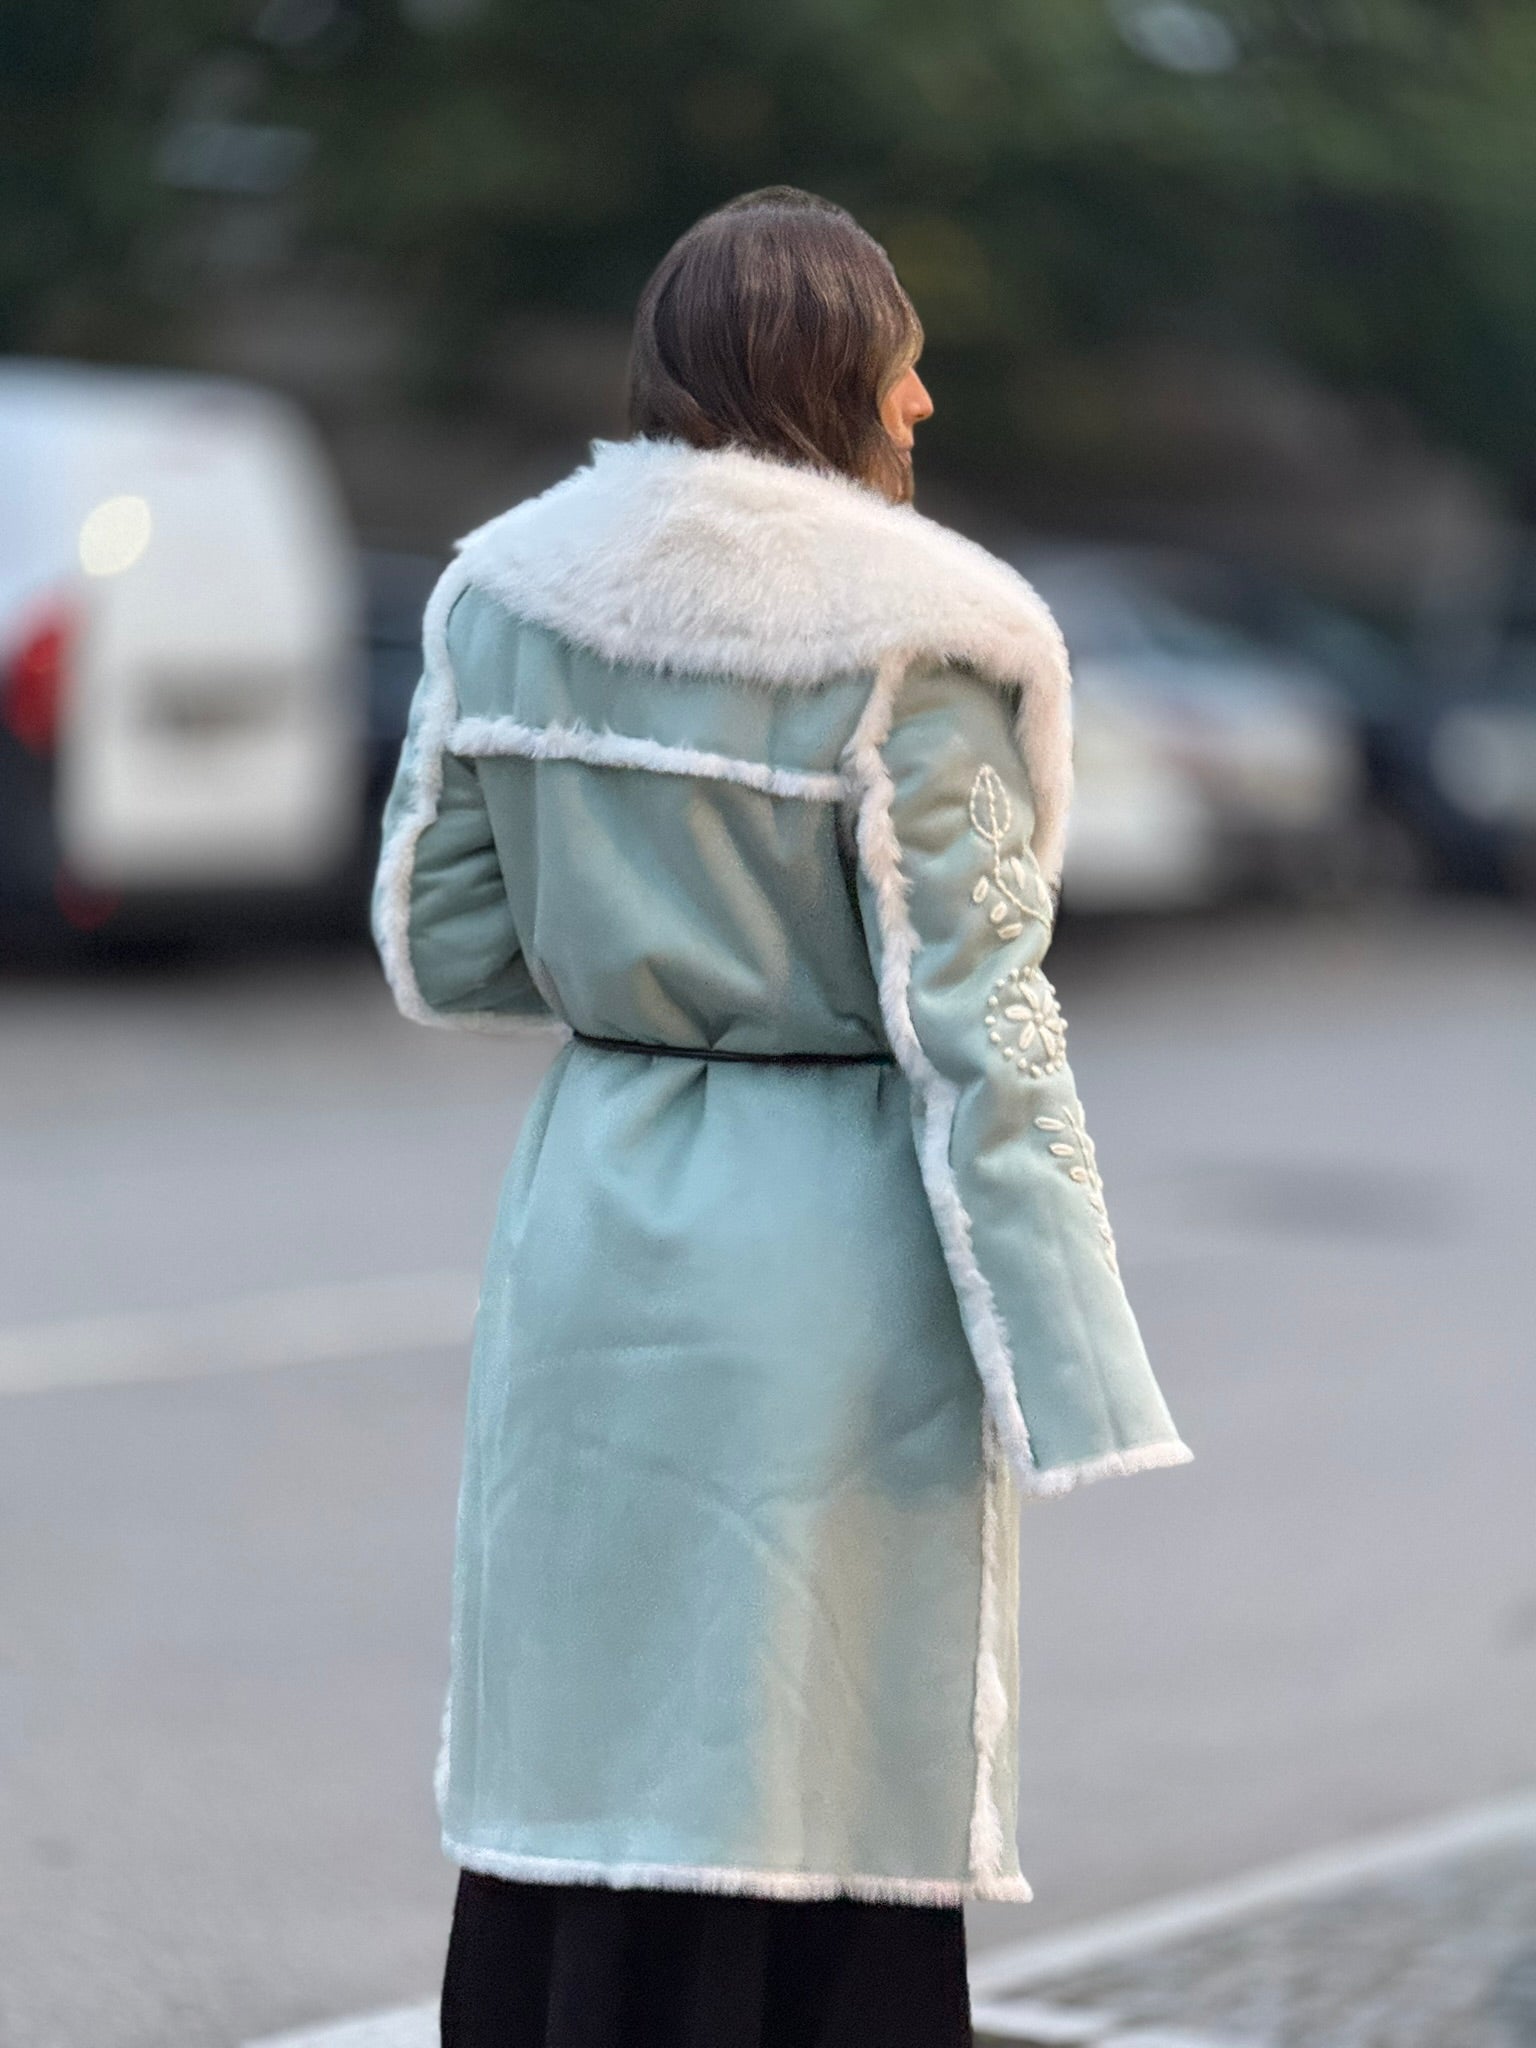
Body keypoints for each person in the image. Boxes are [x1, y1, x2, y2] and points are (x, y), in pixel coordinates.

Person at [374, 185, 1190, 2048]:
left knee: (583, 1741)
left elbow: (443, 948)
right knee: (820, 1764)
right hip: (831, 1258)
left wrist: (642, 974)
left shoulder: (504, 599)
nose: (924, 403)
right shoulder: (922, 639)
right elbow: (987, 1024)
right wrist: (1078, 1367)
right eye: (904, 366)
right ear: (831, 374)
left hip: (593, 1215)